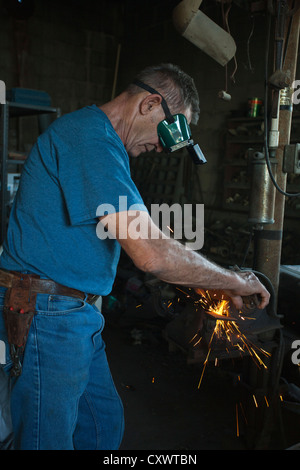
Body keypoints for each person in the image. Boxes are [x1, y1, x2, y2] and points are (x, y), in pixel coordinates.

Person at [0, 63, 270, 450]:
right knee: (47, 440)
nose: (162, 147)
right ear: (150, 104)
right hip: (48, 315)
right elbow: (149, 252)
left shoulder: (104, 146)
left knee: (102, 425)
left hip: (76, 314)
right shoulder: (89, 139)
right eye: (168, 133)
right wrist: (233, 280)